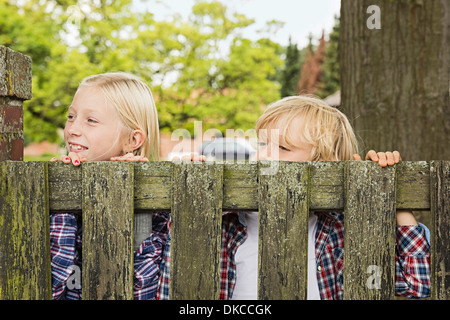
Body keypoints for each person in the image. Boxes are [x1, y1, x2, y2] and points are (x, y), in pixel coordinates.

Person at [163, 95, 430, 300]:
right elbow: (171, 279)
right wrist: (193, 197)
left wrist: (393, 195)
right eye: (263, 143)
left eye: (282, 147)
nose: (264, 154)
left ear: (325, 164)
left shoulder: (344, 231)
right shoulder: (227, 221)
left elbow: (416, 285)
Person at [49, 72, 168, 299]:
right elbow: (50, 285)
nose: (73, 129)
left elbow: (142, 288)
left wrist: (132, 187)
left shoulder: (156, 208)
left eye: (91, 120)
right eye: (71, 116)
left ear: (132, 141)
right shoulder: (55, 183)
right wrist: (59, 197)